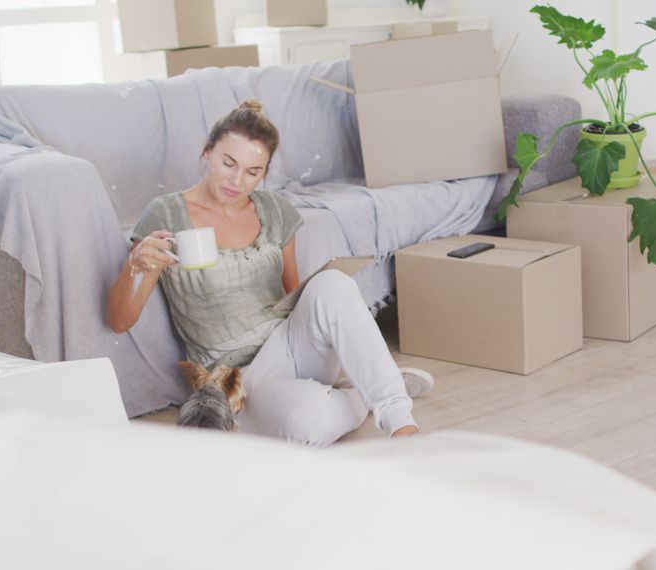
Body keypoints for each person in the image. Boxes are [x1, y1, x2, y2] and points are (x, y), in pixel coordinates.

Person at [107, 99, 433, 446]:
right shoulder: (165, 214)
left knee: (333, 283)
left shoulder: (274, 209)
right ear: (206, 152)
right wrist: (135, 267)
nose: (237, 181)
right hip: (239, 377)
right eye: (228, 162)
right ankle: (363, 392)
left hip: (291, 346)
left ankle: (399, 418)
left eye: (253, 172)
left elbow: (294, 297)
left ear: (265, 172)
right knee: (309, 424)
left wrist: (324, 300)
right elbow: (119, 321)